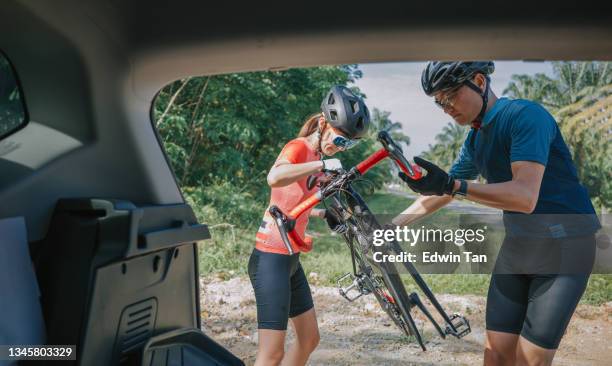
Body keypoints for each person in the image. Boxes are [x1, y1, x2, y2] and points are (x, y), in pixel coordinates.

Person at [392, 61, 601, 366]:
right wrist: (391, 226)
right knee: (496, 356)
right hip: (518, 246)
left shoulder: (524, 115)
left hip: (565, 246)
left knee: (529, 361)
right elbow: (444, 193)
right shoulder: (476, 138)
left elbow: (524, 197)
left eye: (450, 95)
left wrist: (453, 185)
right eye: (439, 102)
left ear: (479, 80)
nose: (447, 108)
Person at [248, 85, 371, 366]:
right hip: (270, 257)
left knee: (309, 339)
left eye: (348, 145)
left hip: (290, 259)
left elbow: (290, 199)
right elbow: (274, 178)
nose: (340, 147)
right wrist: (320, 167)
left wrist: (320, 214)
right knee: (272, 353)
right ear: (322, 123)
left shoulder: (315, 157)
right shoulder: (300, 148)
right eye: (340, 141)